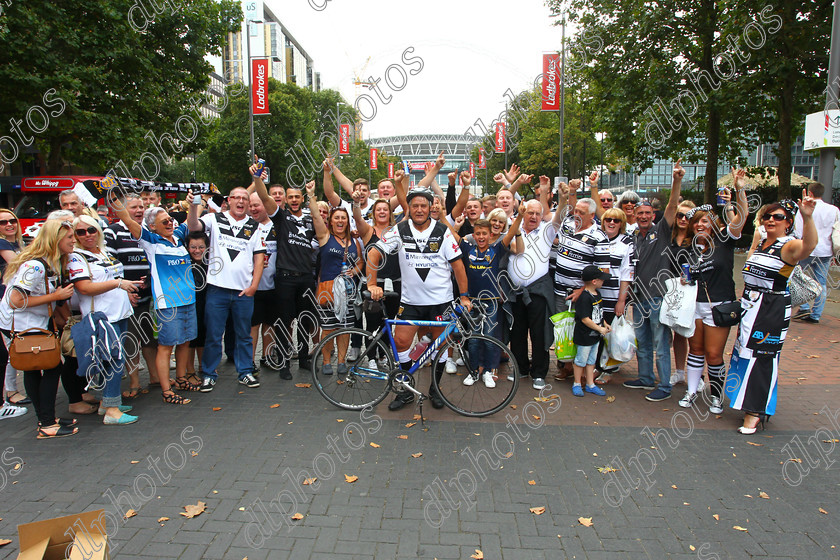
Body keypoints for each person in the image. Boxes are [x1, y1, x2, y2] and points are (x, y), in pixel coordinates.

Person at [367, 151, 471, 411]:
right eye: (415, 206)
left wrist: (465, 296)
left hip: (441, 301)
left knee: (439, 348)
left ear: (430, 208)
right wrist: (371, 283)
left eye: (424, 205)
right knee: (401, 342)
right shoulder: (399, 230)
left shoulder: (443, 231)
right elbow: (373, 252)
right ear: (409, 209)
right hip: (410, 301)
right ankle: (405, 389)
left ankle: (435, 389)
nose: (420, 209)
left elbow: (458, 266)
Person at [727, 194, 817, 433]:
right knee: (746, 354)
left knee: (762, 357)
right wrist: (739, 191)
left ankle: (755, 412)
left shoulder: (789, 245)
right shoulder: (761, 243)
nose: (771, 220)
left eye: (778, 217)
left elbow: (809, 246)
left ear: (788, 222)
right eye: (767, 216)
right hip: (750, 306)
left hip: (771, 309)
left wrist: (807, 217)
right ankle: (748, 401)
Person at [111, 192, 199, 404]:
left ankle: (180, 378)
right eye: (164, 222)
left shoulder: (178, 237)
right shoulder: (150, 241)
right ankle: (167, 390)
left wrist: (194, 202)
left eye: (170, 219)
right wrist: (113, 198)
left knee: (185, 342)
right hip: (167, 303)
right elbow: (127, 219)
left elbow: (191, 220)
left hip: (188, 299)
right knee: (166, 346)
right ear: (152, 226)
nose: (169, 223)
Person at [679, 174, 748, 412]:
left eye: (705, 222)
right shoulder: (688, 249)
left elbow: (741, 219)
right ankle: (691, 392)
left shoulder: (725, 241)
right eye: (697, 222)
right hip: (694, 306)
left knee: (714, 353)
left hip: (718, 307)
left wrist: (739, 192)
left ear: (714, 225)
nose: (700, 225)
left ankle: (716, 396)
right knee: (695, 350)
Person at [0, 220, 77, 434]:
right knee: (50, 367)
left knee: (37, 369)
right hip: (22, 326)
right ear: (55, 240)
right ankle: (46, 423)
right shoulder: (34, 266)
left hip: (30, 324)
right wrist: (56, 296)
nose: (74, 241)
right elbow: (16, 300)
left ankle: (46, 418)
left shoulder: (47, 262)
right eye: (69, 237)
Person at [188, 182, 265, 392]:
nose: (241, 201)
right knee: (214, 334)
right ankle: (209, 374)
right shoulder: (214, 219)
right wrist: (193, 207)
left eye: (244, 198)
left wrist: (254, 286)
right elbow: (194, 228)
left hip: (243, 292)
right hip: (217, 289)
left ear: (248, 203)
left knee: (243, 335)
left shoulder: (255, 226)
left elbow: (259, 258)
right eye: (236, 198)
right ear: (228, 201)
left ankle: (245, 372)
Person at [68, 215, 142, 424]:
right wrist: (119, 284)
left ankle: (108, 402)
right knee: (114, 360)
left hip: (119, 312)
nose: (87, 235)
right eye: (80, 232)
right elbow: (83, 287)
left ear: (98, 230)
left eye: (91, 230)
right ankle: (111, 410)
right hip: (102, 317)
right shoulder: (76, 257)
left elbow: (112, 278)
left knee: (115, 359)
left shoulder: (105, 250)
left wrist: (126, 290)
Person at [623, 159, 684, 402]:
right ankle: (646, 378)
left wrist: (676, 181)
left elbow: (672, 205)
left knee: (661, 343)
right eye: (640, 214)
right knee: (643, 341)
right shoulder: (633, 237)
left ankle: (665, 385)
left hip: (658, 297)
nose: (644, 216)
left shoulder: (661, 232)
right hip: (638, 299)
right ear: (635, 216)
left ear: (654, 215)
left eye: (648, 213)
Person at [252, 161, 316, 380]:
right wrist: (258, 178)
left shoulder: (311, 219)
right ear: (286, 200)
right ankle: (285, 362)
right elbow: (264, 197)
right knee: (284, 321)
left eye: (298, 196)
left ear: (302, 198)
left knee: (305, 319)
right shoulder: (280, 217)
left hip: (307, 277)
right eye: (291, 197)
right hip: (285, 278)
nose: (295, 200)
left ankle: (305, 357)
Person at [507, 176, 569, 390]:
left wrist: (562, 199)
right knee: (517, 333)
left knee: (540, 333)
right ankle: (521, 369)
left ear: (542, 215)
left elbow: (559, 217)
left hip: (538, 292)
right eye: (529, 212)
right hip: (515, 292)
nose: (533, 216)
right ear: (522, 213)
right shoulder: (513, 229)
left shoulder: (547, 230)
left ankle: (539, 373)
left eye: (537, 213)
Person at [103, 193, 160, 399]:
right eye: (133, 207)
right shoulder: (112, 232)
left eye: (141, 207)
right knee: (131, 341)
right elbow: (110, 267)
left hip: (148, 298)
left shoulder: (147, 231)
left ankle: (154, 376)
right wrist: (123, 291)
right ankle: (134, 382)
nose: (138, 211)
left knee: (150, 341)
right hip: (127, 298)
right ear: (122, 210)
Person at [459, 213, 524, 387]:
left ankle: (488, 371)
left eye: (484, 234)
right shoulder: (467, 248)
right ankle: (473, 372)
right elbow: (451, 233)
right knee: (472, 339)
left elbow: (510, 234)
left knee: (489, 337)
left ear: (490, 235)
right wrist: (443, 215)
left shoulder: (496, 249)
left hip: (492, 302)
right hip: (472, 301)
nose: (481, 237)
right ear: (474, 235)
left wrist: (520, 217)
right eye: (478, 233)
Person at [552, 187, 610, 379]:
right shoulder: (567, 223)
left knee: (583, 333)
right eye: (575, 210)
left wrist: (582, 290)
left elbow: (604, 273)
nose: (576, 214)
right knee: (563, 332)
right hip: (559, 290)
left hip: (581, 296)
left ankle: (585, 373)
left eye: (581, 213)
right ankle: (566, 368)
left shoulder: (599, 237)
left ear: (592, 215)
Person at [310, 184, 363, 375]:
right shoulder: (325, 237)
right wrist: (311, 197)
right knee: (328, 328)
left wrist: (355, 270)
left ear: (348, 222)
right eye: (337, 218)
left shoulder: (355, 241)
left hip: (348, 291)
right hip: (327, 289)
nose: (340, 221)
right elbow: (316, 217)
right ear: (331, 221)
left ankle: (341, 361)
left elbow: (362, 262)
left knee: (346, 327)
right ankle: (326, 361)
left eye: (343, 218)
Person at [593, 208, 634, 385]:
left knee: (611, 334)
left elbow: (627, 274)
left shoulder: (626, 242)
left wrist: (621, 301)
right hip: (595, 295)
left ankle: (607, 369)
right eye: (608, 219)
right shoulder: (596, 238)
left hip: (614, 296)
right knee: (595, 331)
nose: (611, 223)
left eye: (616, 221)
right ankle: (594, 366)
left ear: (621, 224)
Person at [793, 182, 840, 324]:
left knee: (797, 277)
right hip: (825, 250)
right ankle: (816, 314)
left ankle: (804, 306)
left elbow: (798, 230)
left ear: (810, 193)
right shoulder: (833, 209)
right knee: (821, 282)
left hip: (807, 248)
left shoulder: (804, 208)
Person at [0, 208, 30, 407]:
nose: (9, 224)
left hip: (16, 299)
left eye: (12, 220)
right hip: (6, 300)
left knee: (14, 347)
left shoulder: (17, 243)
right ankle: (11, 391)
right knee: (12, 348)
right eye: (3, 222)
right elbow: (18, 264)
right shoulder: (2, 243)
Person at [248, 192, 280, 370]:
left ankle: (267, 356)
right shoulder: (247, 227)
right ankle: (249, 360)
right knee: (253, 325)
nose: (253, 209)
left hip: (273, 285)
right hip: (252, 286)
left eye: (257, 205)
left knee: (270, 323)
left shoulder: (277, 226)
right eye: (251, 205)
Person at [667, 199, 697, 387]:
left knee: (692, 334)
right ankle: (678, 372)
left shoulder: (697, 239)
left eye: (688, 216)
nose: (683, 219)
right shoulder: (668, 236)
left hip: (691, 291)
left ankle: (697, 375)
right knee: (677, 333)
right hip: (670, 289)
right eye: (680, 215)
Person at [572, 265, 612, 397]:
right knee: (580, 360)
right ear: (594, 281)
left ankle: (590, 384)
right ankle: (577, 383)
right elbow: (585, 319)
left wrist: (604, 324)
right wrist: (599, 328)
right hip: (584, 336)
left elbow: (599, 314)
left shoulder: (597, 294)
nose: (603, 281)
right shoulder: (584, 297)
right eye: (601, 279)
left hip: (594, 336)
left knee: (591, 361)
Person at [186, 231, 209, 378]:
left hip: (206, 303)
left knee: (204, 334)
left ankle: (203, 365)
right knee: (190, 338)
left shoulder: (212, 263)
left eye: (201, 247)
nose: (197, 250)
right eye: (193, 247)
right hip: (189, 304)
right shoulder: (184, 263)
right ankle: (189, 371)